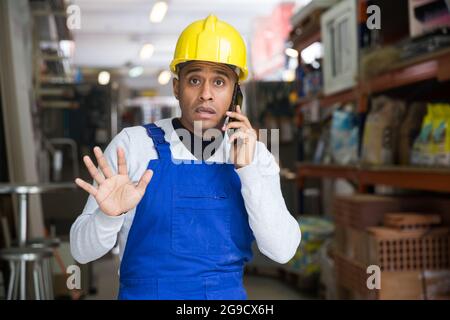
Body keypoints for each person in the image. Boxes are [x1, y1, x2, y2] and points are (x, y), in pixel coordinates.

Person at [70, 14, 301, 300]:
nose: (206, 94)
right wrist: (108, 216)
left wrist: (248, 170)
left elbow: (282, 251)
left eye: (219, 82)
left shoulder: (255, 156)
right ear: (177, 87)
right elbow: (80, 250)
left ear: (234, 94)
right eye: (195, 80)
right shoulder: (134, 146)